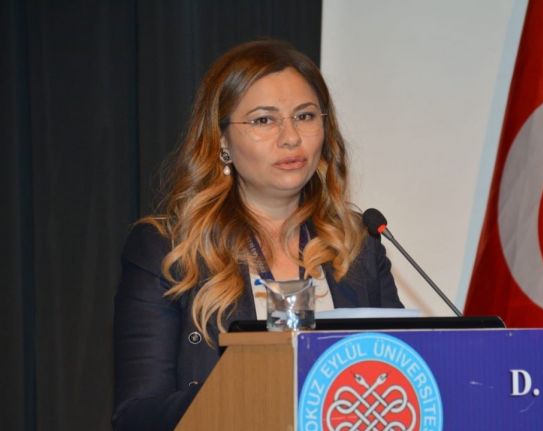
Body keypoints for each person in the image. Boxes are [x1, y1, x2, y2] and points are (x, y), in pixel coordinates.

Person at [112, 40, 403, 430]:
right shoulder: (168, 248)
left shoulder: (357, 244)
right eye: (264, 120)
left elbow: (402, 372)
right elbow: (135, 416)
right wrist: (245, 389)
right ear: (221, 140)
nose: (290, 137)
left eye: (305, 116)